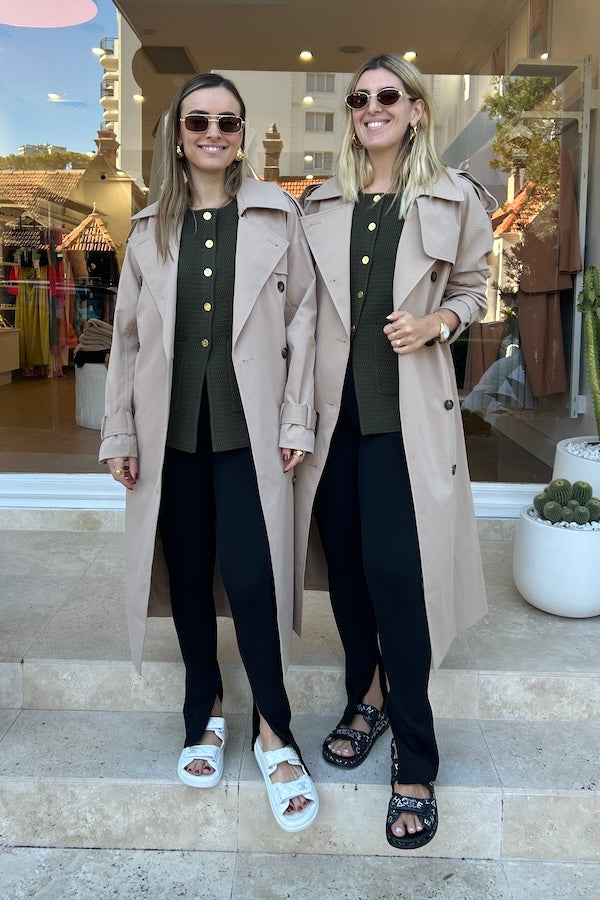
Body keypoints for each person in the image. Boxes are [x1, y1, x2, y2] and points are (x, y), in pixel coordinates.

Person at [99, 72, 319, 833]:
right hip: (171, 437)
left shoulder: (278, 215)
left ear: (242, 132)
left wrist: (296, 420)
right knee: (189, 577)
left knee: (253, 578)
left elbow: (305, 323)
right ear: (178, 133)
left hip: (249, 430)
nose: (214, 133)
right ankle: (206, 706)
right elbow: (126, 342)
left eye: (228, 120)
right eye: (199, 120)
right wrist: (120, 432)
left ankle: (273, 727)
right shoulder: (148, 228)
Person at [297, 53, 495, 849]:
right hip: (331, 421)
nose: (372, 107)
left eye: (389, 96)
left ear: (415, 110)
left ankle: (415, 758)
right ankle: (367, 695)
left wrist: (438, 323)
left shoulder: (453, 198)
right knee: (346, 574)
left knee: (398, 583)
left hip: (404, 422)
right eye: (359, 99)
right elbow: (300, 312)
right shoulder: (320, 204)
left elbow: (475, 288)